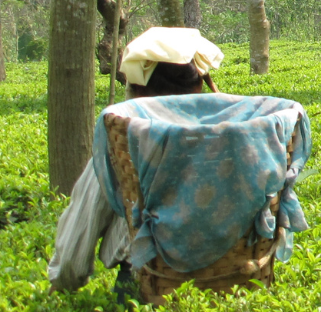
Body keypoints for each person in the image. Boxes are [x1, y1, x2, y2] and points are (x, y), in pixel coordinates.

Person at [47, 27, 224, 292]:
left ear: (138, 88)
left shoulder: (123, 141)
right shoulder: (228, 134)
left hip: (147, 278)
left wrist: (62, 283)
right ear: (199, 85)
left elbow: (83, 224)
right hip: (231, 277)